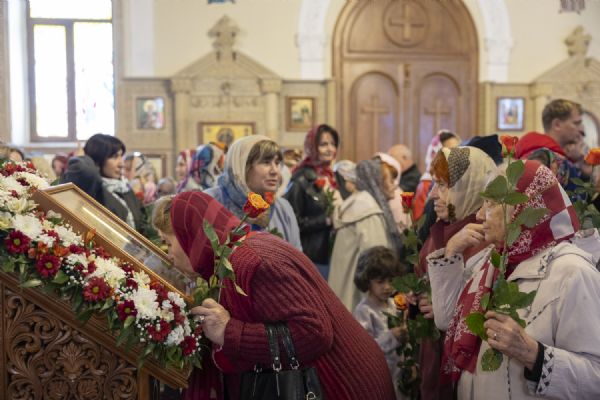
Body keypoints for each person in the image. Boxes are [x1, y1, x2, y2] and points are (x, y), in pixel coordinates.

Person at [151, 192, 396, 400]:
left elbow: (314, 332)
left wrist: (229, 332)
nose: (169, 255)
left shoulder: (252, 261)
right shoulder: (242, 251)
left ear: (190, 235)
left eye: (168, 242)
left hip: (343, 385)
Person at [428, 160, 600, 399]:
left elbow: (595, 377)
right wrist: (450, 252)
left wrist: (534, 355)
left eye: (490, 203)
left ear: (522, 208)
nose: (479, 214)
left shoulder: (572, 272)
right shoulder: (494, 260)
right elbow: (447, 319)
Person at [416, 146, 497, 400]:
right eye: (435, 184)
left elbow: (480, 306)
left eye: (443, 185)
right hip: (434, 350)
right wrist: (418, 298)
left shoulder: (485, 236)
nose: (433, 195)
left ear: (469, 186)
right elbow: (422, 275)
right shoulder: (442, 228)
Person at [205, 135, 302, 251]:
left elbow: (296, 256)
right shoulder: (210, 202)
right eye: (266, 162)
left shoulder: (282, 208)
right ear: (243, 166)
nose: (275, 171)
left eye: (277, 163)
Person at [328, 159, 394, 310]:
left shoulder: (357, 204)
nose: (395, 185)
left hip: (343, 289)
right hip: (360, 301)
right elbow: (377, 262)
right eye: (390, 180)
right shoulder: (368, 211)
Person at [61, 133, 147, 233]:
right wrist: (82, 157)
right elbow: (85, 171)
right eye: (115, 157)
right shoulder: (93, 189)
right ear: (98, 159)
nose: (121, 164)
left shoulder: (124, 187)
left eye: (121, 156)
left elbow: (141, 222)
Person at [285, 124, 340, 278]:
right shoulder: (300, 179)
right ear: (312, 147)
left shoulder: (334, 177)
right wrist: (325, 221)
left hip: (333, 252)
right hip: (312, 255)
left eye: (333, 144)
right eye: (323, 144)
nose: (330, 149)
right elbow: (293, 222)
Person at [353, 246, 407, 400]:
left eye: (391, 280)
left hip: (399, 375)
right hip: (378, 378)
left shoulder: (394, 304)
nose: (387, 287)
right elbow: (364, 351)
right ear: (367, 281)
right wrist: (392, 336)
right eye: (380, 281)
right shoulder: (364, 311)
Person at [411, 130, 461, 220]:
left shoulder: (461, 178)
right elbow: (421, 221)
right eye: (451, 150)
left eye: (459, 149)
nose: (457, 155)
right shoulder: (426, 183)